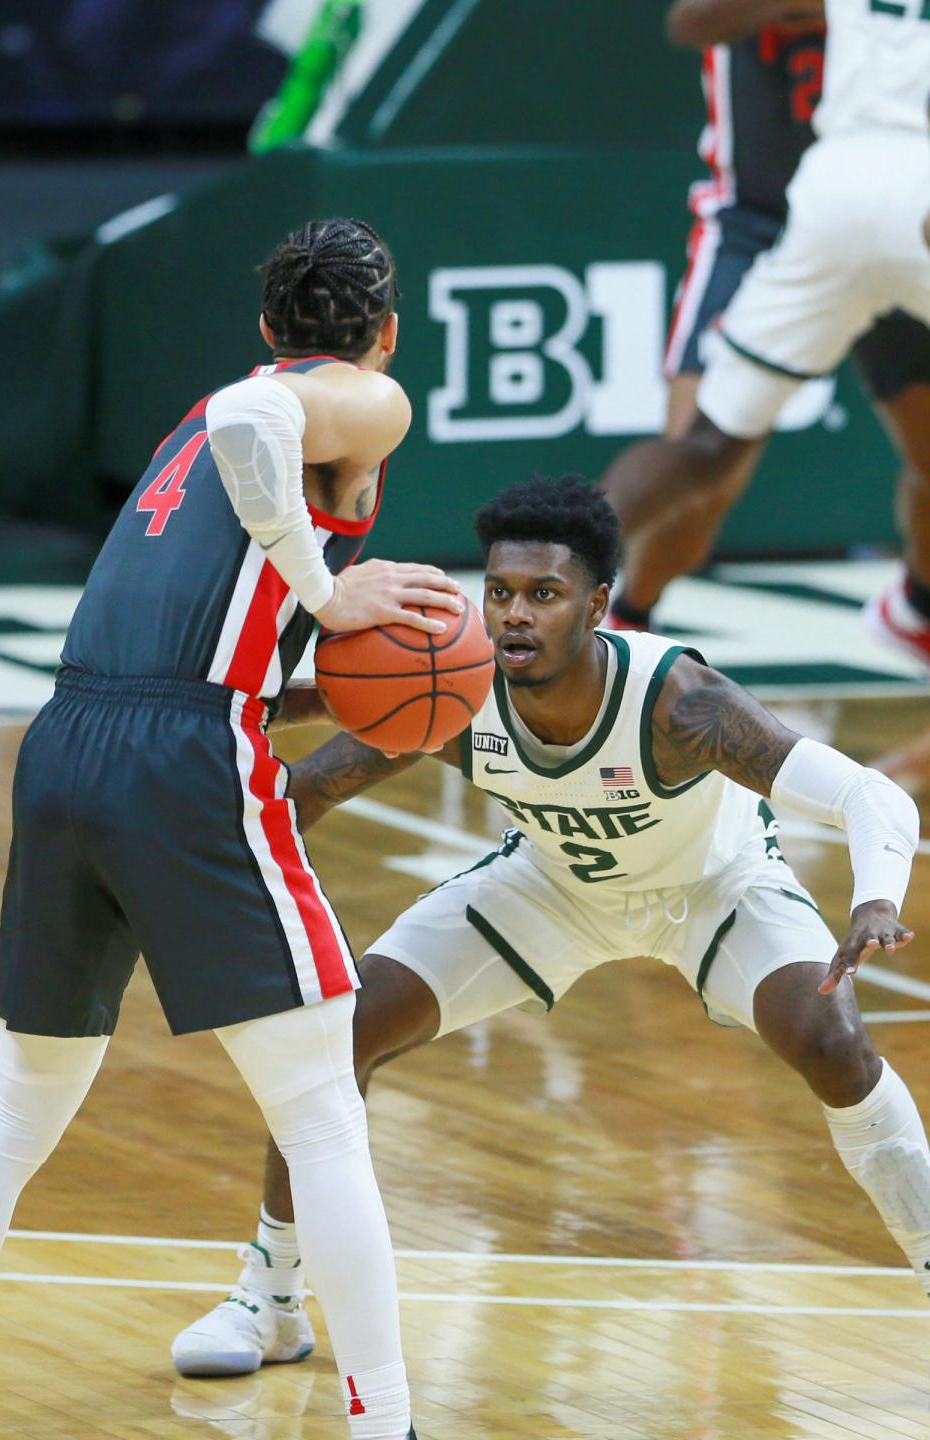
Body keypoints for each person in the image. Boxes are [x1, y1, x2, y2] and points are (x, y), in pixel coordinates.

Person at [173, 475, 926, 1379]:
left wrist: (876, 896)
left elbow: (864, 793)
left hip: (715, 889)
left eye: (543, 594)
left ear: (598, 603)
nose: (515, 616)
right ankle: (271, 1298)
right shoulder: (456, 692)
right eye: (499, 593)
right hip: (551, 888)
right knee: (345, 1029)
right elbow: (309, 793)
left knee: (831, 1038)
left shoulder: (678, 701)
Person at [0, 216, 468, 1440]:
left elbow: (195, 627)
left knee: (19, 1114)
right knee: (319, 1115)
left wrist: (312, 675)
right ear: (385, 332)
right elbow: (263, 423)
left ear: (265, 321)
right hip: (177, 758)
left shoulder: (193, 433)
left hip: (71, 740)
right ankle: (387, 1420)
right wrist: (327, 587)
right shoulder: (342, 400)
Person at [604, 0, 930, 674]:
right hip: (759, 221)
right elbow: (688, 21)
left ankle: (919, 610)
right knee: (705, 469)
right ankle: (628, 613)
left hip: (881, 203)